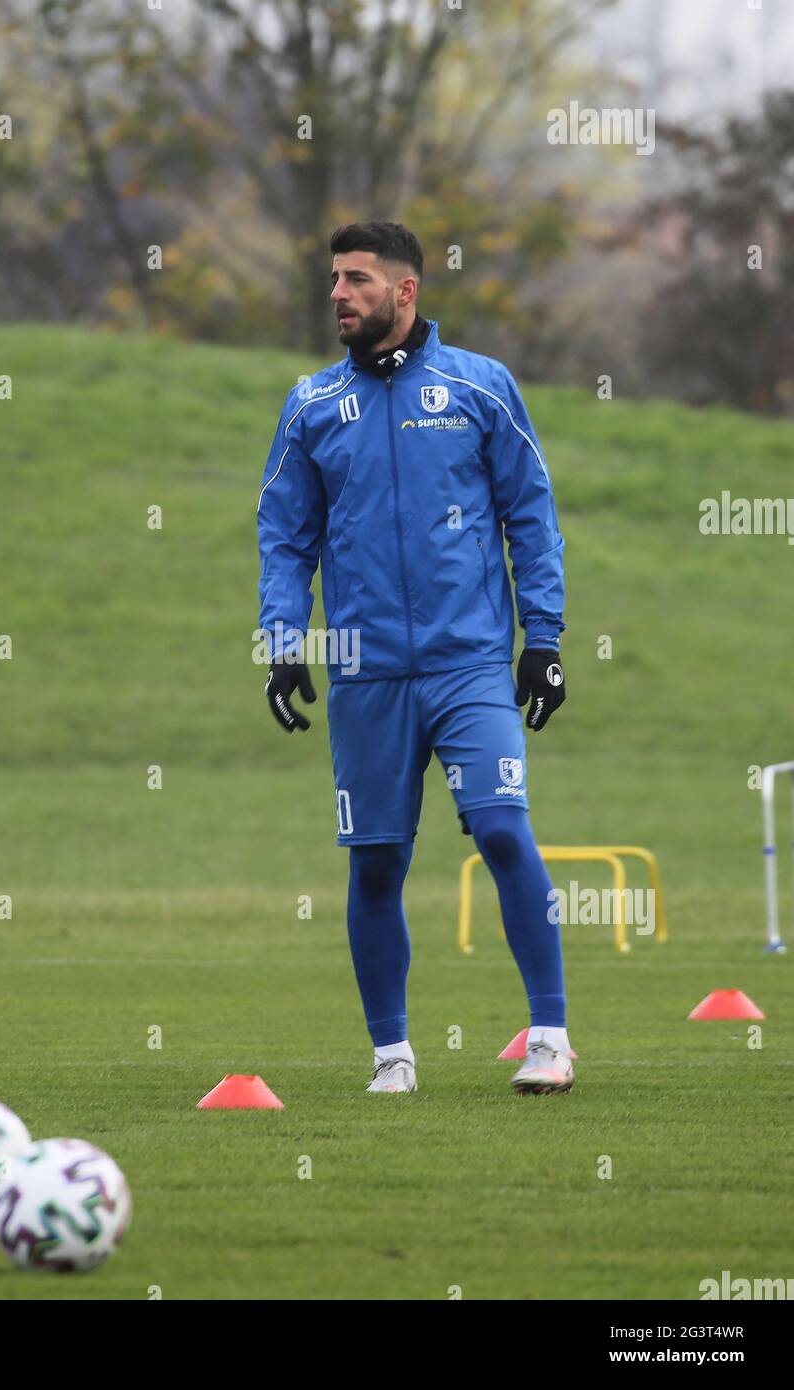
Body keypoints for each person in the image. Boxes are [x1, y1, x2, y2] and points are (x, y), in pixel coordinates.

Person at [257, 221, 571, 1095]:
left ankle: (548, 1037)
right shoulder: (312, 404)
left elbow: (531, 519)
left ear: (404, 291)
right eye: (332, 279)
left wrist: (541, 642)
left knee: (503, 830)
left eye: (355, 278)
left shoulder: (481, 387)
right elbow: (284, 535)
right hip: (365, 671)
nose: (336, 294)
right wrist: (284, 644)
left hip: (469, 661)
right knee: (376, 862)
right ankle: (391, 1055)